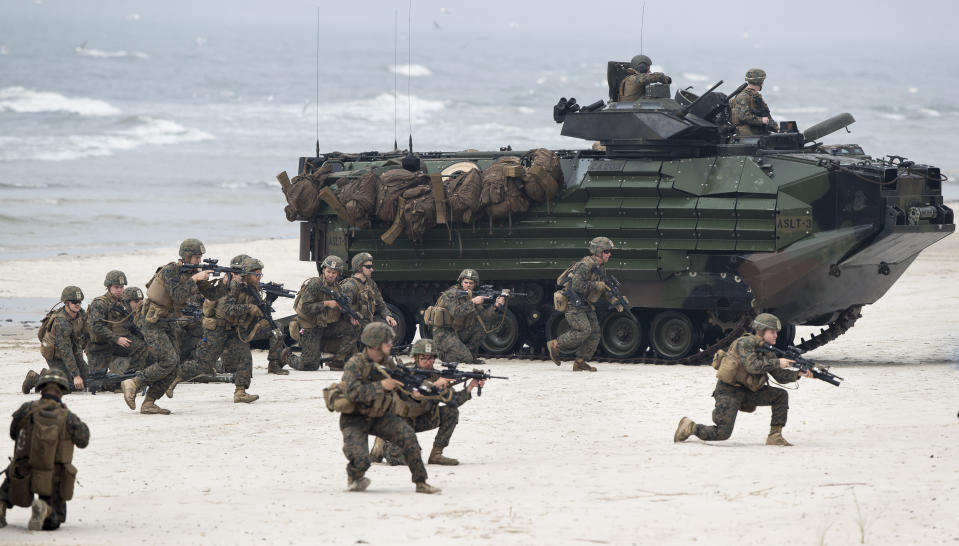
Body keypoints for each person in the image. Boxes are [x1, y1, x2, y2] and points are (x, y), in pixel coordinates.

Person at [673, 313, 813, 446]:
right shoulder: (745, 343)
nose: (776, 335)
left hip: (749, 391)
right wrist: (777, 362)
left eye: (776, 332)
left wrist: (798, 374)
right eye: (772, 332)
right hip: (729, 391)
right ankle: (690, 427)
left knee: (780, 395)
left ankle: (774, 436)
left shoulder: (767, 351)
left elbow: (779, 376)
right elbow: (752, 366)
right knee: (722, 433)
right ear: (760, 331)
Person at [120, 238, 223, 415]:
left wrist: (229, 283)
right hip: (150, 321)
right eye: (196, 257)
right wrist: (195, 279)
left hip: (167, 322)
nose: (199, 261)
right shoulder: (170, 271)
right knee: (168, 360)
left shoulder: (193, 273)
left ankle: (149, 402)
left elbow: (213, 294)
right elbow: (177, 295)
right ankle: (134, 382)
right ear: (186, 256)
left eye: (200, 257)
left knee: (174, 366)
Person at [339, 322, 440, 494]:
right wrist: (381, 386)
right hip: (355, 418)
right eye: (387, 342)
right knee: (362, 461)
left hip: (380, 416)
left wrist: (420, 389)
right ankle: (355, 476)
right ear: (376, 344)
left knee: (409, 437)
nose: (391, 345)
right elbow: (351, 393)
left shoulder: (387, 362)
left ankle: (421, 482)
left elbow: (403, 379)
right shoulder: (355, 364)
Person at [167, 257, 285, 403]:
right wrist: (248, 308)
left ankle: (240, 392)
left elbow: (259, 309)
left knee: (245, 358)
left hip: (233, 330)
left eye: (261, 275)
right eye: (257, 275)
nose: (259, 278)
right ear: (247, 274)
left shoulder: (252, 288)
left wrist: (269, 300)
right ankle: (173, 378)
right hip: (217, 329)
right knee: (203, 364)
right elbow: (226, 310)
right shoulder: (232, 286)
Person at [0, 369, 90, 531]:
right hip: (53, 475)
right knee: (55, 520)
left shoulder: (27, 409)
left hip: (23, 471)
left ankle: (1, 504)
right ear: (62, 391)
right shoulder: (68, 416)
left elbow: (14, 434)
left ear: (41, 388)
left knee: (14, 469)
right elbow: (83, 441)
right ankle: (45, 509)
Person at [372, 338, 483, 467]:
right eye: (423, 358)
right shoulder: (404, 373)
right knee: (402, 460)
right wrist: (435, 385)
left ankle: (436, 455)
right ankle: (381, 445)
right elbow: (413, 395)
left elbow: (452, 401)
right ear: (415, 358)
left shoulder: (437, 376)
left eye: (431, 358)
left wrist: (470, 387)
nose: (428, 362)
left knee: (451, 412)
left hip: (422, 418)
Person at [547, 237, 625, 372]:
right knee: (584, 330)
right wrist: (596, 284)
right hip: (574, 303)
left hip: (586, 304)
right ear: (599, 252)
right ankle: (555, 344)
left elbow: (603, 288)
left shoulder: (600, 267)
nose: (609, 254)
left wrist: (615, 301)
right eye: (607, 251)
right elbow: (577, 286)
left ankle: (580, 362)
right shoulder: (586, 265)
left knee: (595, 333)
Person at [289, 255, 357, 371]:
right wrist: (326, 303)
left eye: (334, 273)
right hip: (310, 326)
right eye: (329, 271)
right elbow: (305, 308)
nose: (331, 275)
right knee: (310, 365)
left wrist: (349, 314)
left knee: (351, 328)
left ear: (338, 274)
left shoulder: (337, 288)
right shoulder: (315, 284)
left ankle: (338, 360)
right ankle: (287, 357)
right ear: (323, 270)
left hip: (326, 325)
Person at [335, 253, 397, 370]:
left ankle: (377, 356)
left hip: (368, 321)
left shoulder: (370, 283)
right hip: (353, 324)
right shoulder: (349, 285)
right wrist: (351, 316)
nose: (371, 269)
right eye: (368, 267)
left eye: (371, 266)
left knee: (387, 327)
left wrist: (388, 316)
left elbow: (380, 303)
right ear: (359, 268)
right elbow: (342, 307)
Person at [428, 269, 506, 364]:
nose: (468, 285)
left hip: (458, 331)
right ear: (461, 282)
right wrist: (473, 302)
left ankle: (470, 354)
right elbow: (456, 312)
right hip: (444, 333)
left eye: (471, 283)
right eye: (466, 282)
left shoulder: (471, 295)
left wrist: (495, 306)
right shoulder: (451, 294)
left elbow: (483, 317)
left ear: (475, 284)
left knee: (483, 326)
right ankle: (443, 354)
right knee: (466, 358)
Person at [22, 286, 90, 394]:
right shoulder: (61, 322)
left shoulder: (81, 313)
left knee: (89, 379)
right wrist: (76, 375)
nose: (78, 304)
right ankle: (35, 378)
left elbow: (87, 332)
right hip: (55, 354)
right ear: (66, 303)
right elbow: (65, 351)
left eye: (79, 302)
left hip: (73, 350)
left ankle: (49, 374)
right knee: (66, 387)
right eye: (74, 302)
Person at [730, 68, 778, 136]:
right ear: (759, 82)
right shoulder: (743, 96)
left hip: (759, 133)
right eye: (763, 81)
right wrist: (761, 120)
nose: (763, 83)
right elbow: (743, 117)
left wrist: (777, 129)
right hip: (747, 136)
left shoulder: (757, 96)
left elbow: (766, 116)